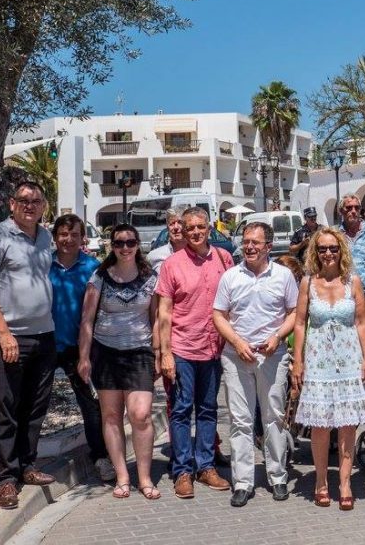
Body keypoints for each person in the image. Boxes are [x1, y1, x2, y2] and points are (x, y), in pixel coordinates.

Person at [0, 181, 58, 510]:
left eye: (36, 200)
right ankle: (6, 479)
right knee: (5, 410)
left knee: (34, 408)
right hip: (9, 338)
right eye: (23, 200)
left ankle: (27, 465)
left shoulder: (46, 237)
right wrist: (4, 334)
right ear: (11, 204)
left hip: (44, 335)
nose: (30, 205)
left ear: (43, 205)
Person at [213, 221, 299, 508]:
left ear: (268, 247)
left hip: (272, 357)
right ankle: (243, 481)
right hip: (237, 357)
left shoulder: (284, 276)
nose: (249, 247)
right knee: (240, 420)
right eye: (246, 242)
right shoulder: (230, 277)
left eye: (255, 243)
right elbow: (219, 316)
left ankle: (277, 476)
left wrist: (277, 338)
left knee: (273, 417)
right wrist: (237, 343)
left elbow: (294, 313)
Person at [292, 227, 365, 510]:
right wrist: (298, 361)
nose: (328, 253)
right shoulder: (307, 282)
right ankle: (320, 482)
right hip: (317, 361)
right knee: (320, 425)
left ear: (342, 251)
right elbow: (300, 323)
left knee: (347, 425)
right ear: (316, 251)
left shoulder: (353, 281)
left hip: (349, 360)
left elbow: (362, 322)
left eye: (333, 248)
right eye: (323, 248)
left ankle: (345, 482)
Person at [77, 224, 160, 500]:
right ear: (111, 246)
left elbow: (156, 319)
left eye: (130, 242)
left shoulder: (150, 277)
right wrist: (84, 357)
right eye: (119, 243)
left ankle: (145, 477)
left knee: (140, 414)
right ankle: (123, 476)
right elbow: (87, 320)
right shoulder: (100, 277)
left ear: (138, 245)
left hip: (139, 352)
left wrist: (158, 352)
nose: (125, 248)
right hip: (106, 352)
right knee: (111, 416)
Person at [156, 207, 233, 499]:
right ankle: (182, 471)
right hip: (182, 348)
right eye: (190, 228)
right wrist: (165, 353)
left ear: (210, 228)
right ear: (183, 231)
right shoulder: (172, 264)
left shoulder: (224, 259)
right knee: (180, 410)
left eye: (200, 227)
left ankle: (205, 466)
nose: (196, 232)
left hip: (213, 348)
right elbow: (164, 310)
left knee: (208, 408)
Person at [49, 214, 113, 481]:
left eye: (74, 234)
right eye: (63, 234)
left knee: (90, 403)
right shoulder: (43, 265)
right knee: (33, 403)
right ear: (55, 237)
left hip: (81, 347)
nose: (68, 240)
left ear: (82, 238)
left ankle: (100, 456)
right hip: (47, 343)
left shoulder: (93, 267)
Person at [148, 207, 186, 275]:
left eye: (180, 222)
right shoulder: (153, 257)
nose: (176, 227)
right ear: (167, 228)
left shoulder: (198, 254)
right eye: (172, 224)